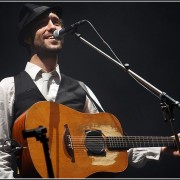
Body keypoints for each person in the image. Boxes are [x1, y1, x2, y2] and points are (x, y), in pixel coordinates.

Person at [0, 3, 179, 178]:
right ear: (27, 38)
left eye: (56, 21)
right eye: (42, 23)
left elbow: (113, 141)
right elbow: (1, 152)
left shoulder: (80, 89)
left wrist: (163, 146)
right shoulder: (9, 87)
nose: (52, 27)